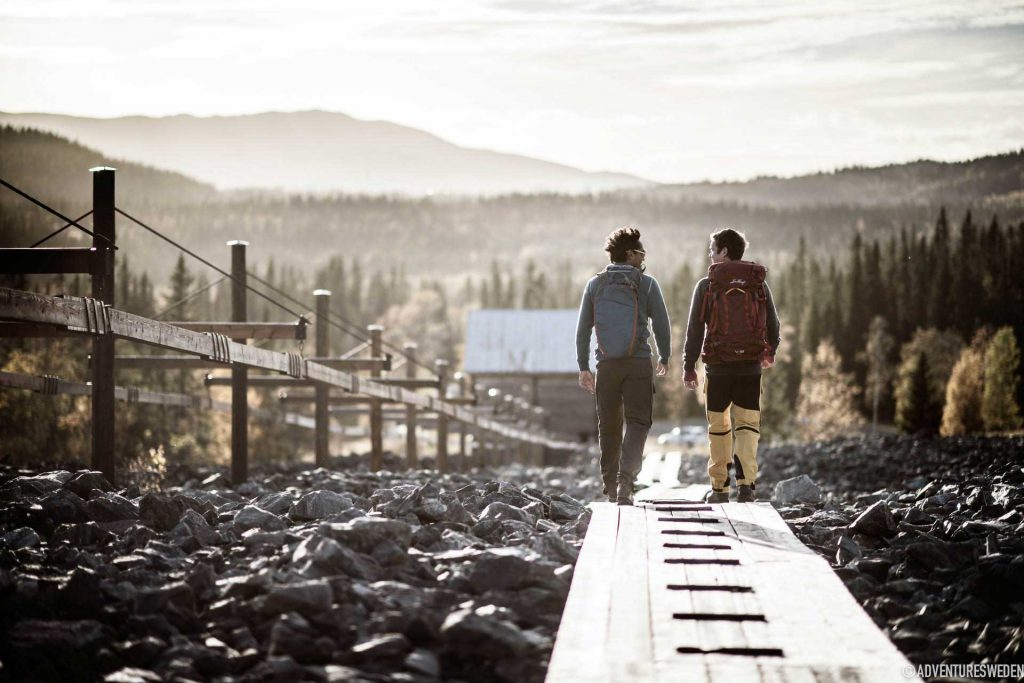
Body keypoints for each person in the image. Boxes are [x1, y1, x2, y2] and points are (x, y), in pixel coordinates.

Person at [682, 228, 780, 503]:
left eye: (712, 249)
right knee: (748, 426)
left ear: (724, 251)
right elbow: (773, 323)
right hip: (750, 367)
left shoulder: (707, 284)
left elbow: (694, 330)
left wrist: (689, 366)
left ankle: (719, 488)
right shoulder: (757, 283)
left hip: (717, 367)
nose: (710, 254)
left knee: (719, 427)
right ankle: (746, 484)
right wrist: (770, 351)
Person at [576, 227, 671, 506]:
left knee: (608, 424)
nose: (643, 258)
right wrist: (664, 356)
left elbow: (583, 329)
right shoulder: (647, 283)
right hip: (639, 362)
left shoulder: (595, 284)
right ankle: (625, 483)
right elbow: (661, 324)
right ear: (629, 254)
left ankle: (610, 485)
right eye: (640, 253)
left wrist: (584, 366)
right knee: (639, 421)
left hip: (606, 365)